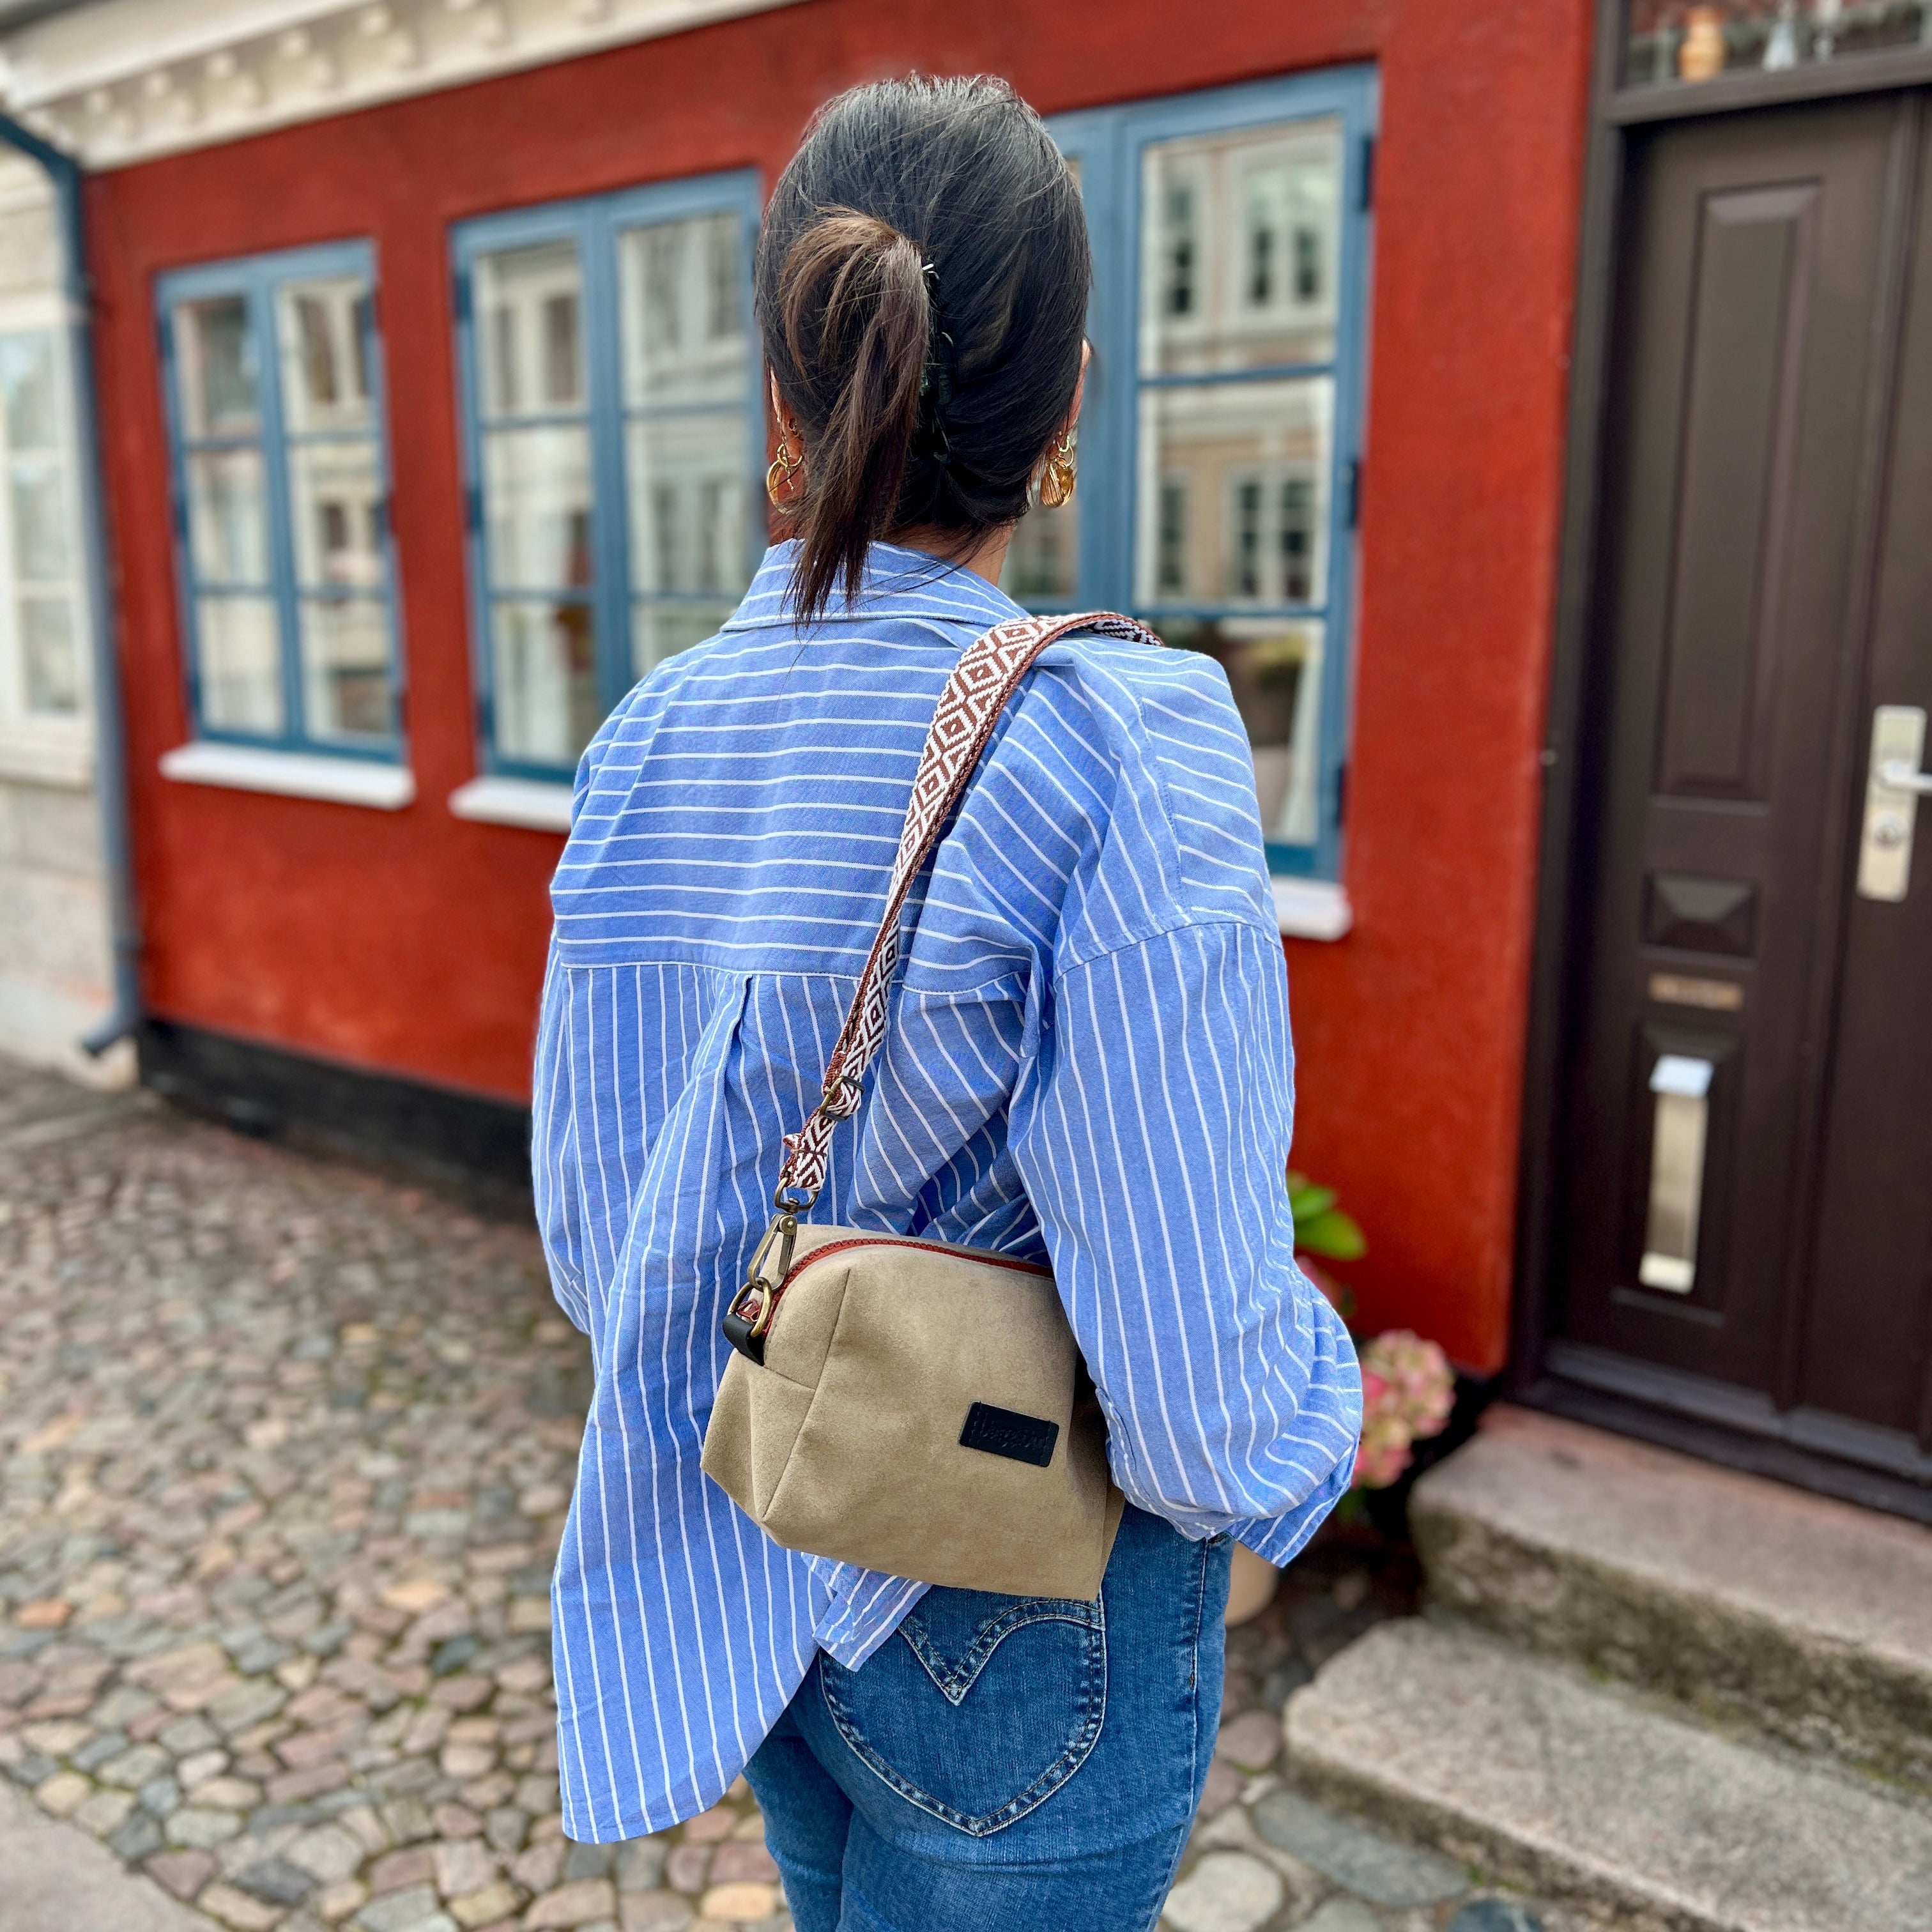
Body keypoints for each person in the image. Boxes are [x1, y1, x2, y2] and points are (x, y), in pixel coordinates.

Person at [532, 73, 1361, 1932]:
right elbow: (1190, 1378)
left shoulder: (643, 740)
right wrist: (1333, 1422)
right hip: (1016, 1591)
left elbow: (602, 1244)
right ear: (1069, 402)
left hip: (748, 1538)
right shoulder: (1118, 738)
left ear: (786, 389)